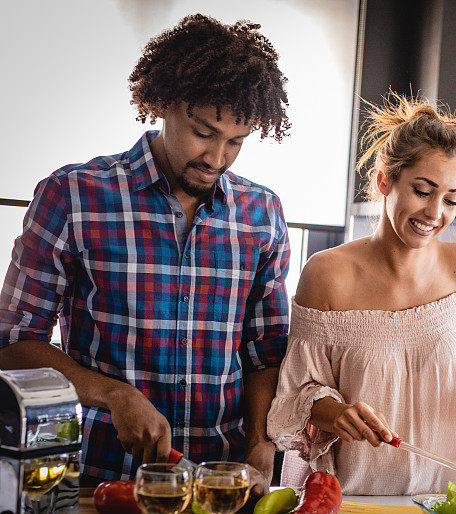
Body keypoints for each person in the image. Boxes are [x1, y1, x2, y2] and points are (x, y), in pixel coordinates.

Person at [0, 14, 290, 488]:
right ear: (163, 103)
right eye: (203, 132)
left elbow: (265, 353)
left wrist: (261, 442)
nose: (217, 158)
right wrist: (114, 395)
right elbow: (12, 344)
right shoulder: (72, 196)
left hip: (220, 485)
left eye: (236, 142)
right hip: (102, 478)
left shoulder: (262, 213)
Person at [267, 94, 456, 495]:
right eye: (422, 190)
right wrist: (338, 413)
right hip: (347, 502)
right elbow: (297, 394)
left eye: (451, 199)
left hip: (445, 500)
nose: (435, 213)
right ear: (385, 180)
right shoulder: (327, 275)